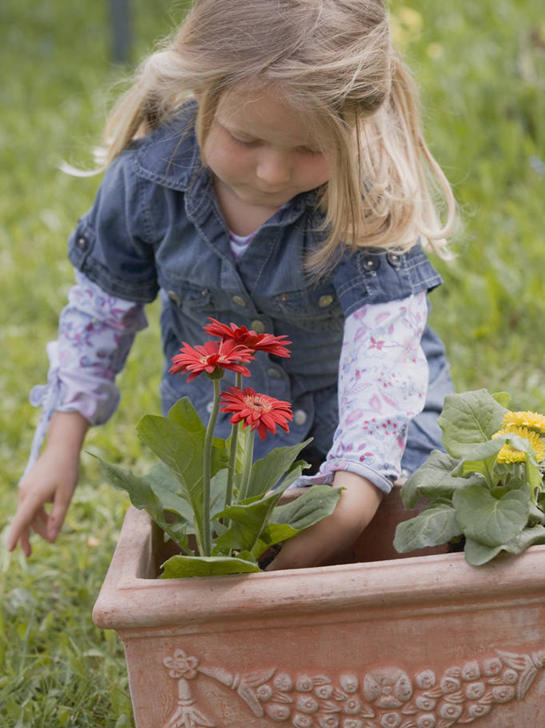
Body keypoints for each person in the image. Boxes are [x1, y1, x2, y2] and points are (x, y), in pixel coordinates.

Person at [7, 0, 456, 568]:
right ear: (202, 91)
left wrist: (353, 500)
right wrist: (61, 444)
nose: (272, 172)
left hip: (372, 429)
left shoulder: (365, 196)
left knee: (410, 541)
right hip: (227, 440)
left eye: (311, 149)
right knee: (216, 553)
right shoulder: (146, 181)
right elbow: (99, 316)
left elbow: (384, 359)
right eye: (245, 139)